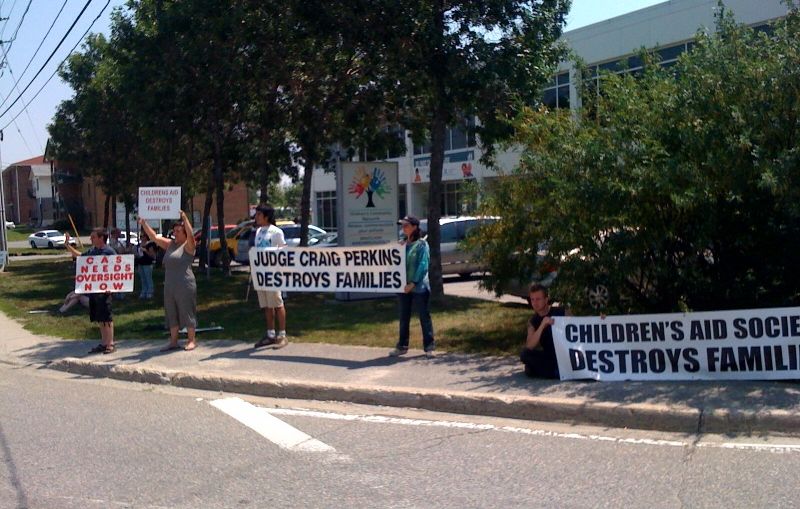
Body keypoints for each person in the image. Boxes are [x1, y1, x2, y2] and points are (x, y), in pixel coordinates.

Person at [138, 211, 198, 351]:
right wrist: (144, 223)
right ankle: (173, 341)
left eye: (178, 231)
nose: (175, 233)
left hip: (185, 283)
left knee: (187, 310)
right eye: (174, 231)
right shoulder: (170, 244)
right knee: (171, 312)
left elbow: (191, 235)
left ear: (184, 233)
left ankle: (191, 340)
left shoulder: (189, 246)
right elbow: (153, 237)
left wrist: (184, 218)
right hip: (170, 285)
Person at [390, 215, 436, 358]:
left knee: (424, 316)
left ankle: (429, 347)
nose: (403, 228)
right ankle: (402, 346)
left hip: (419, 287)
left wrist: (413, 283)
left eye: (406, 225)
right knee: (404, 317)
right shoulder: (401, 245)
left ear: (415, 227)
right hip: (403, 287)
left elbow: (423, 265)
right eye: (402, 226)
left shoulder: (422, 245)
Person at [64, 229, 117, 354]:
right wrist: (67, 245)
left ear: (101, 238)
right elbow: (80, 257)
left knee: (107, 317)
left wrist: (113, 288)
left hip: (106, 291)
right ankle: (104, 343)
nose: (91, 239)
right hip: (94, 290)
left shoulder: (109, 252)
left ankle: (110, 343)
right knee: (99, 317)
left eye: (93, 237)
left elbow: (116, 271)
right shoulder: (93, 251)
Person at [252, 205, 289, 349]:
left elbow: (284, 250)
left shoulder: (276, 232)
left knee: (277, 304)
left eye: (259, 214)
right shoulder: (258, 232)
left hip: (273, 274)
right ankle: (270, 334)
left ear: (266, 216)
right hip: (261, 274)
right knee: (267, 305)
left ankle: (282, 334)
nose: (256, 217)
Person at [520, 283, 566, 379]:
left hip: (566, 353)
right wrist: (542, 326)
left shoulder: (561, 311)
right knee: (525, 354)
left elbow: (581, 323)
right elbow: (530, 346)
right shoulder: (533, 322)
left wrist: (600, 320)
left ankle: (546, 371)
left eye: (538, 299)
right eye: (532, 299)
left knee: (530, 369)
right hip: (550, 357)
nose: (535, 303)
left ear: (546, 299)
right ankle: (554, 372)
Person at [134, 231, 157, 299]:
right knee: (142, 279)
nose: (141, 238)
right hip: (140, 263)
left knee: (148, 278)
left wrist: (145, 250)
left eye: (143, 236)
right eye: (140, 236)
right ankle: (143, 291)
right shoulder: (139, 244)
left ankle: (150, 292)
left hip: (147, 264)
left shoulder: (150, 244)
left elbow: (152, 255)